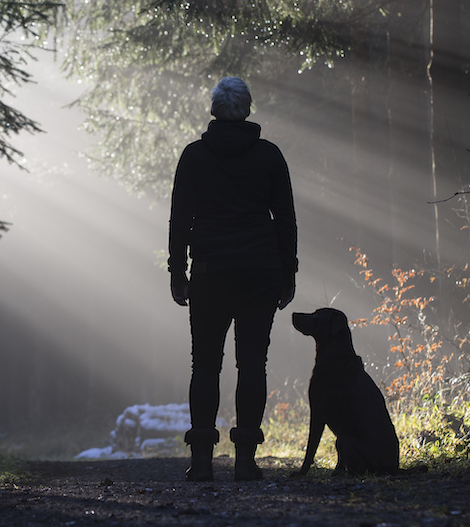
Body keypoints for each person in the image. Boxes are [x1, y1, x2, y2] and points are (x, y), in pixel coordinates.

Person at [167, 76, 298, 481]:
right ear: (247, 109)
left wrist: (177, 272)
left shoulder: (194, 157)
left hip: (209, 273)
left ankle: (203, 461)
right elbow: (285, 220)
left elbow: (180, 221)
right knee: (252, 363)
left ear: (214, 110)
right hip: (260, 273)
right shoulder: (269, 156)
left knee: (205, 364)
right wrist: (287, 272)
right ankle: (245, 461)